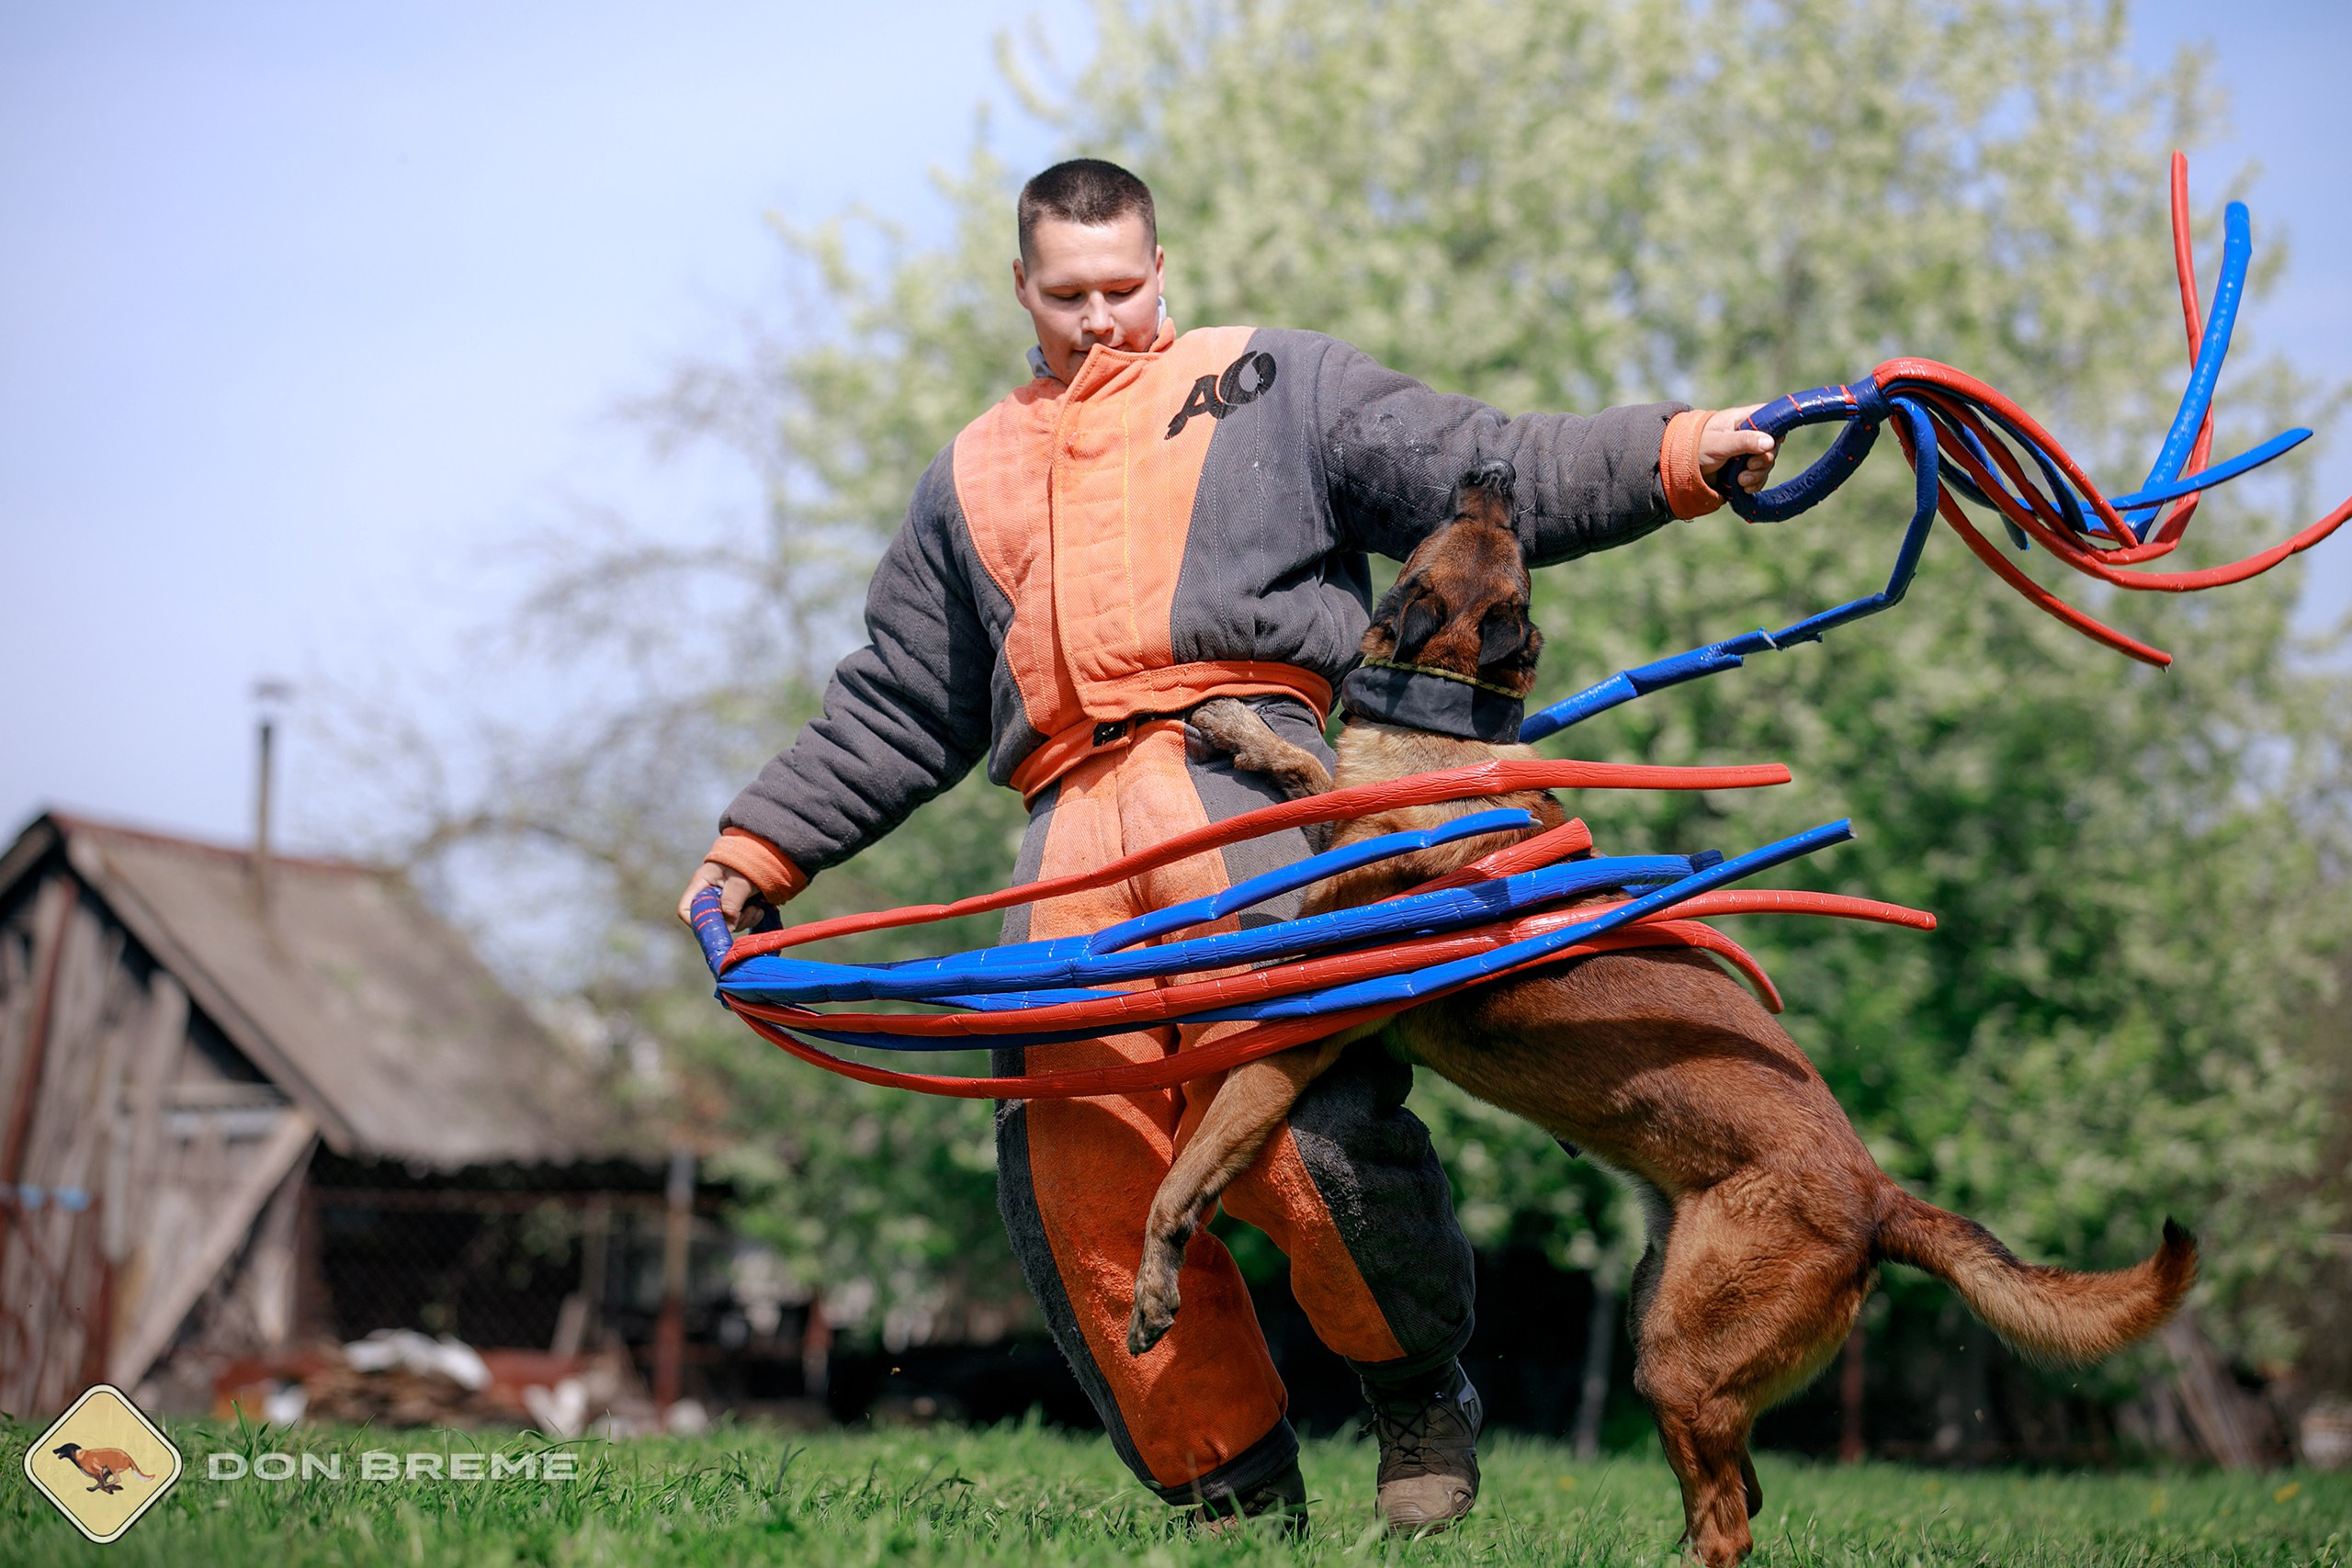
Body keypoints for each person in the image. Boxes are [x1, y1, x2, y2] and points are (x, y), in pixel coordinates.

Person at [678, 158, 1777, 1533]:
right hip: (1068, 837)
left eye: (1123, 286)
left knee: (1306, 1138)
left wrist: (1684, 452)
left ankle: (1418, 1399)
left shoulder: (1275, 381)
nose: (1099, 316)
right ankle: (1233, 1499)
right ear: (1023, 288)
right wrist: (754, 854)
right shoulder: (968, 475)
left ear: (1163, 269)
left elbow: (1481, 466)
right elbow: (900, 706)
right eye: (1068, 293)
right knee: (1080, 1177)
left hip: (1259, 789)